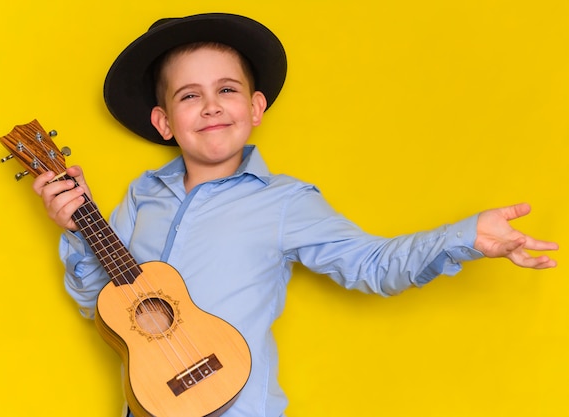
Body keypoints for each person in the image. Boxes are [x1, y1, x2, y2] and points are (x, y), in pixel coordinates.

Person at [32, 13, 558, 417]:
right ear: (164, 121)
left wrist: (465, 236)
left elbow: (372, 264)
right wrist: (78, 233)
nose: (211, 106)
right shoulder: (142, 196)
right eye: (190, 96)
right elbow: (102, 308)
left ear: (256, 109)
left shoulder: (284, 201)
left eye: (227, 90)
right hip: (147, 404)